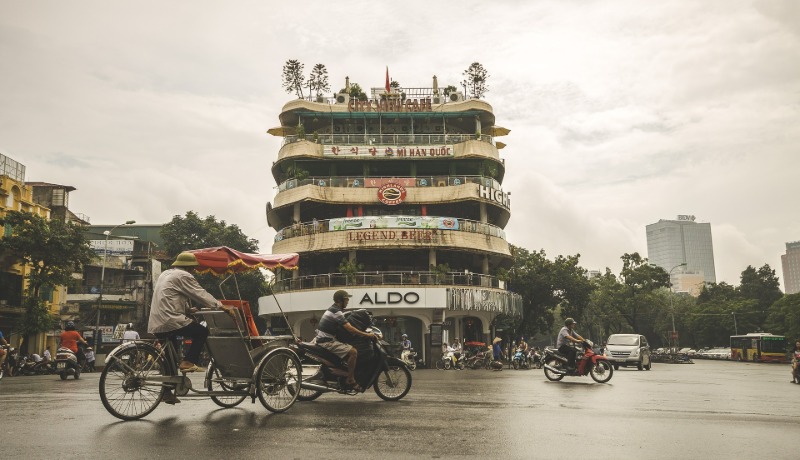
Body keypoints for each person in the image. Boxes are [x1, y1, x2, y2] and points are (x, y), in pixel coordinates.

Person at [148, 252, 234, 404]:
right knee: (201, 331)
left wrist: (187, 310)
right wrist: (221, 306)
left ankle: (167, 392)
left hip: (157, 321)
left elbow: (172, 296)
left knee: (169, 359)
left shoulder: (166, 274)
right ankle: (188, 361)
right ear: (189, 267)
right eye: (193, 268)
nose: (194, 271)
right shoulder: (184, 276)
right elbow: (200, 293)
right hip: (170, 320)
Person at [312, 289, 376, 391]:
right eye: (346, 299)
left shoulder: (334, 310)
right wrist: (367, 335)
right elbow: (350, 328)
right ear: (340, 300)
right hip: (326, 341)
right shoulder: (336, 311)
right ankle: (350, 379)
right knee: (353, 352)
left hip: (324, 338)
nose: (347, 301)